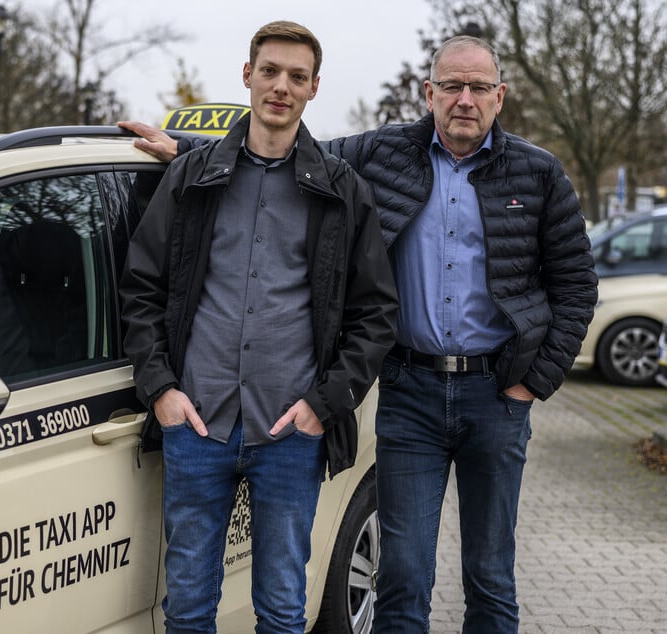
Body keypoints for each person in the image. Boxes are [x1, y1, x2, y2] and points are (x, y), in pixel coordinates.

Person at [120, 34, 598, 634]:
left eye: (478, 88)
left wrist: (533, 383)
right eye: (452, 86)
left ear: (499, 97)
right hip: (410, 392)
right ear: (429, 93)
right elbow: (283, 143)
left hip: (496, 394)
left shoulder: (538, 172)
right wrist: (188, 149)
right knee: (402, 575)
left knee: (490, 574)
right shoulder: (384, 152)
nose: (465, 99)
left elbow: (577, 286)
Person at [118, 20, 398, 634]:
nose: (281, 87)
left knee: (281, 610)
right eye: (269, 71)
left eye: (297, 77)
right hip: (196, 423)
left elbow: (376, 314)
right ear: (248, 75)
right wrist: (160, 389)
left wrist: (324, 406)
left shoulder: (343, 192)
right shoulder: (192, 177)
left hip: (291, 433)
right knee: (187, 609)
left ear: (314, 87)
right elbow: (140, 286)